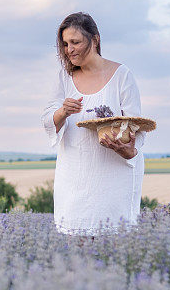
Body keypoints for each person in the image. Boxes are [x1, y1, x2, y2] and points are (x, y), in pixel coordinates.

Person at [41, 12, 146, 235]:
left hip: (112, 180)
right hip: (74, 179)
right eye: (65, 43)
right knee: (77, 250)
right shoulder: (64, 77)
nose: (69, 49)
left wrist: (127, 149)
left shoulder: (122, 75)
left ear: (95, 39)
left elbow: (136, 126)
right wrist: (63, 112)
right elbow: (48, 121)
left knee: (113, 245)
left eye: (76, 42)